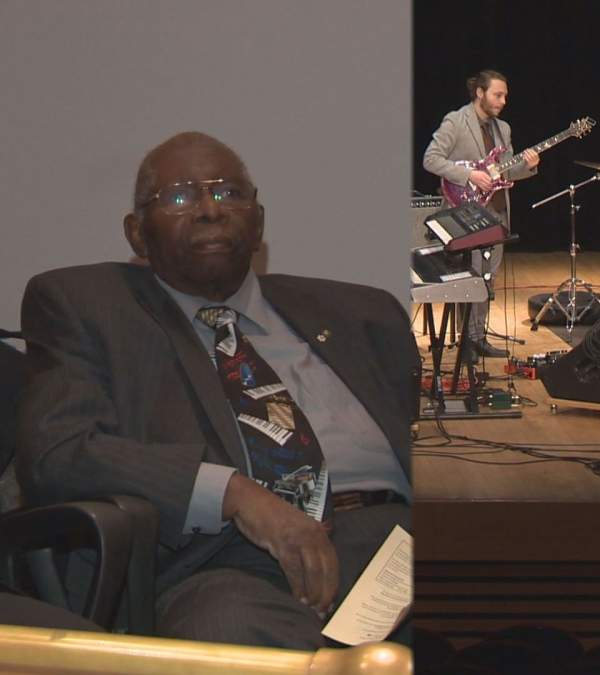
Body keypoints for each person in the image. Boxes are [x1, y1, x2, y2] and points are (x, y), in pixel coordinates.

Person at [17, 131, 416, 649]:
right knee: (227, 637)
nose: (209, 210)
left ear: (259, 223)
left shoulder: (363, 312)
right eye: (180, 196)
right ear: (136, 234)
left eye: (229, 193)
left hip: (395, 541)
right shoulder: (86, 306)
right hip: (229, 566)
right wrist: (232, 493)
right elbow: (58, 452)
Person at [423, 69, 539, 358]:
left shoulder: (504, 129)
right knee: (470, 278)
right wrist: (469, 175)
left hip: (496, 212)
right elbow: (431, 159)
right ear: (480, 93)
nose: (502, 101)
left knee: (487, 279)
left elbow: (506, 171)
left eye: (505, 96)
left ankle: (477, 337)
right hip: (467, 212)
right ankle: (466, 344)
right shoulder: (456, 121)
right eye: (497, 95)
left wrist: (529, 165)